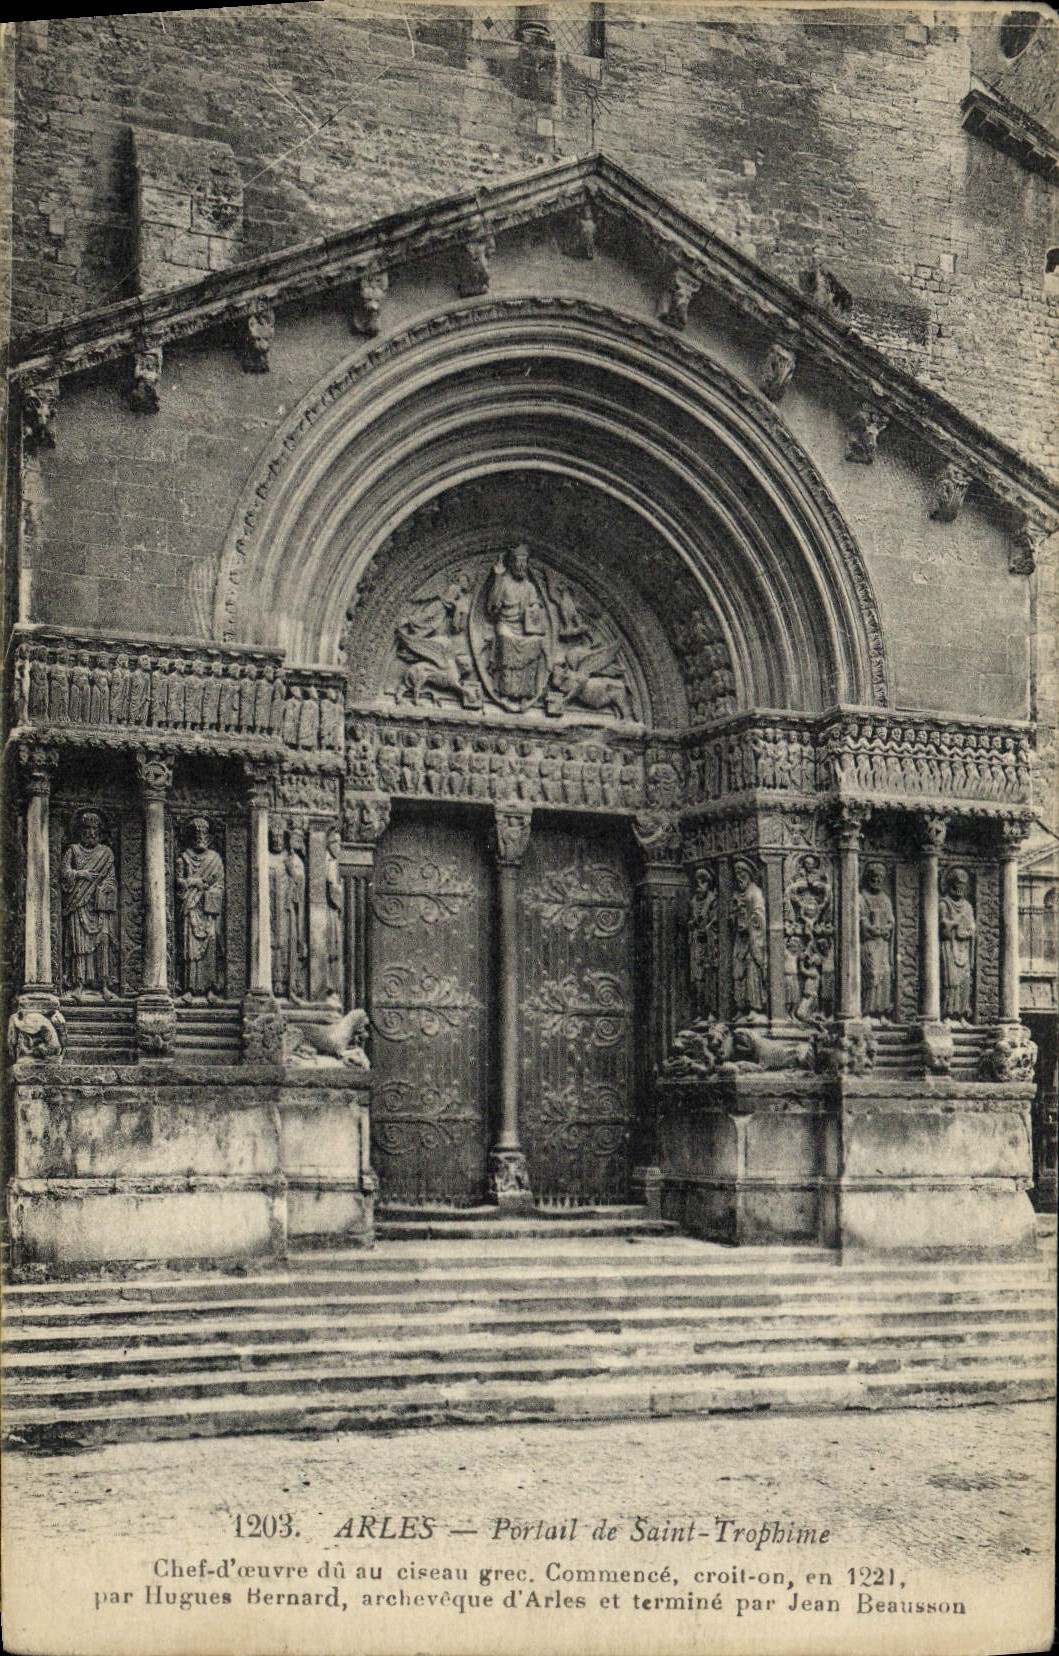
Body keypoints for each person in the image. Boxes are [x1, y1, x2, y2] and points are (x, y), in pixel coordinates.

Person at [61, 812, 118, 999]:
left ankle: (104, 986)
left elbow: (111, 880)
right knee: (79, 944)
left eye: (94, 830)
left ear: (100, 832)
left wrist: (105, 888)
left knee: (103, 941)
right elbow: (64, 872)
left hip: (98, 906)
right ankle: (78, 984)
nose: (91, 833)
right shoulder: (73, 850)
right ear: (81, 831)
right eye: (87, 829)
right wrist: (80, 874)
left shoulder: (106, 853)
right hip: (78, 904)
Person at [485, 544, 549, 703]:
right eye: (517, 562)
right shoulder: (504, 583)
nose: (521, 566)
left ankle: (525, 694)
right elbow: (492, 606)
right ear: (511, 564)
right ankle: (505, 692)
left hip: (523, 629)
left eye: (524, 562)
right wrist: (498, 577)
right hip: (505, 624)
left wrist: (534, 607)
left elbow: (535, 608)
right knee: (505, 638)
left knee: (536, 642)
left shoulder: (529, 587)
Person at [175, 817, 225, 1000]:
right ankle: (188, 988)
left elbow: (220, 884)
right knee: (190, 947)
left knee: (211, 942)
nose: (200, 837)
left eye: (203, 833)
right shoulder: (184, 857)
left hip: (208, 909)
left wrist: (210, 891)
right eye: (196, 834)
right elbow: (178, 882)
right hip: (191, 907)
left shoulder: (215, 859)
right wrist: (194, 882)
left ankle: (210, 988)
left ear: (209, 837)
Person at [731, 859, 767, 1019]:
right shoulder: (737, 894)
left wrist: (750, 925)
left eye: (742, 873)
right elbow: (731, 916)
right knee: (739, 971)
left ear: (749, 874)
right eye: (736, 874)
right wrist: (735, 917)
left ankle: (755, 1006)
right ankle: (741, 1006)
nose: (739, 877)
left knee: (752, 970)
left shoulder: (755, 893)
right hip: (741, 939)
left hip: (752, 939)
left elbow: (759, 916)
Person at [939, 865, 976, 1021]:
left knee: (965, 981)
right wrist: (954, 924)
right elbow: (943, 926)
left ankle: (961, 1015)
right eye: (957, 884)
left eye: (963, 885)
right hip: (949, 946)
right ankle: (947, 1014)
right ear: (950, 885)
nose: (960, 888)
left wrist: (968, 930)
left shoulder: (967, 906)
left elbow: (972, 926)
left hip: (964, 947)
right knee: (951, 981)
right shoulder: (944, 904)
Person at [859, 861, 895, 1018]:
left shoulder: (885, 899)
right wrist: (871, 928)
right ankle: (867, 1011)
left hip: (883, 944)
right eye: (874, 877)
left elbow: (891, 920)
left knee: (885, 975)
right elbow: (861, 920)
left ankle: (881, 1012)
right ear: (867, 878)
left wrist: (887, 928)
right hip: (869, 942)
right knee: (872, 973)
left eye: (880, 878)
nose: (877, 881)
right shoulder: (862, 897)